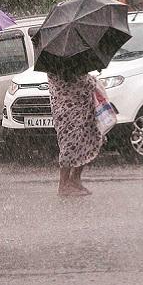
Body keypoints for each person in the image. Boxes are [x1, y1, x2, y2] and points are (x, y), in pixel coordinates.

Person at [47, 63, 103, 197]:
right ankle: (64, 184)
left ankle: (75, 179)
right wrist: (93, 80)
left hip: (83, 111)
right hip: (69, 114)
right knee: (70, 146)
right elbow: (82, 84)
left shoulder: (71, 63)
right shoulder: (58, 67)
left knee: (86, 143)